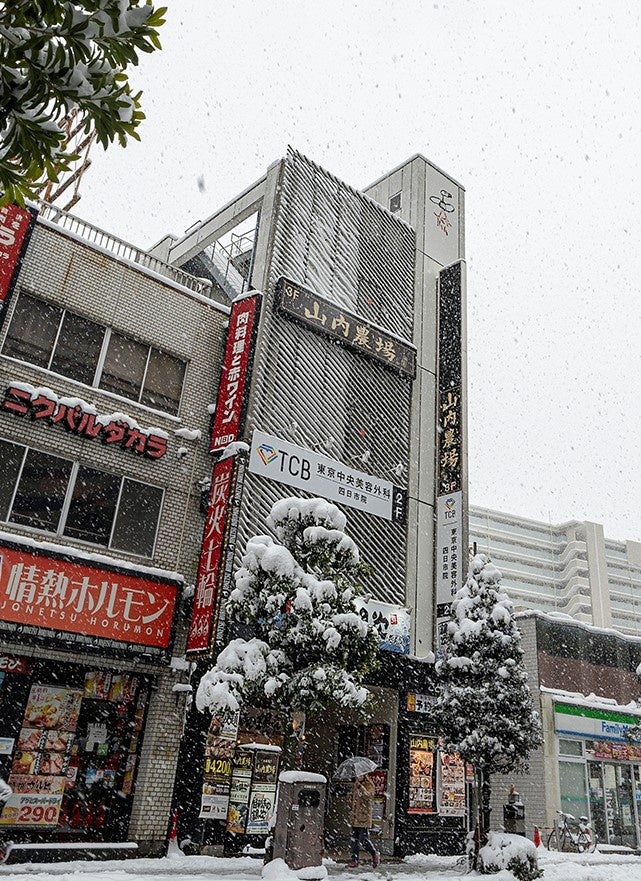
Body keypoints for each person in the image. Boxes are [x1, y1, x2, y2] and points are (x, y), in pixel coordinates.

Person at [347, 772, 380, 868]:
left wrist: (361, 787)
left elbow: (368, 797)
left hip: (363, 817)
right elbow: (352, 801)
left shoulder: (369, 785)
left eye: (360, 775)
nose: (358, 777)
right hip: (355, 816)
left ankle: (374, 854)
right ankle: (354, 859)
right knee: (354, 840)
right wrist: (349, 797)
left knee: (363, 839)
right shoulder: (355, 785)